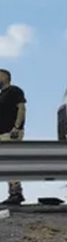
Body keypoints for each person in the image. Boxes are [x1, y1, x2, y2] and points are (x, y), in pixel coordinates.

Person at [0, 68, 27, 205]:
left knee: (11, 160)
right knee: (5, 162)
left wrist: (17, 127)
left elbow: (21, 108)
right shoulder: (2, 95)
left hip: (11, 133)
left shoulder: (14, 91)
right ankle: (13, 193)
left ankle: (16, 193)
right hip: (2, 133)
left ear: (5, 77)